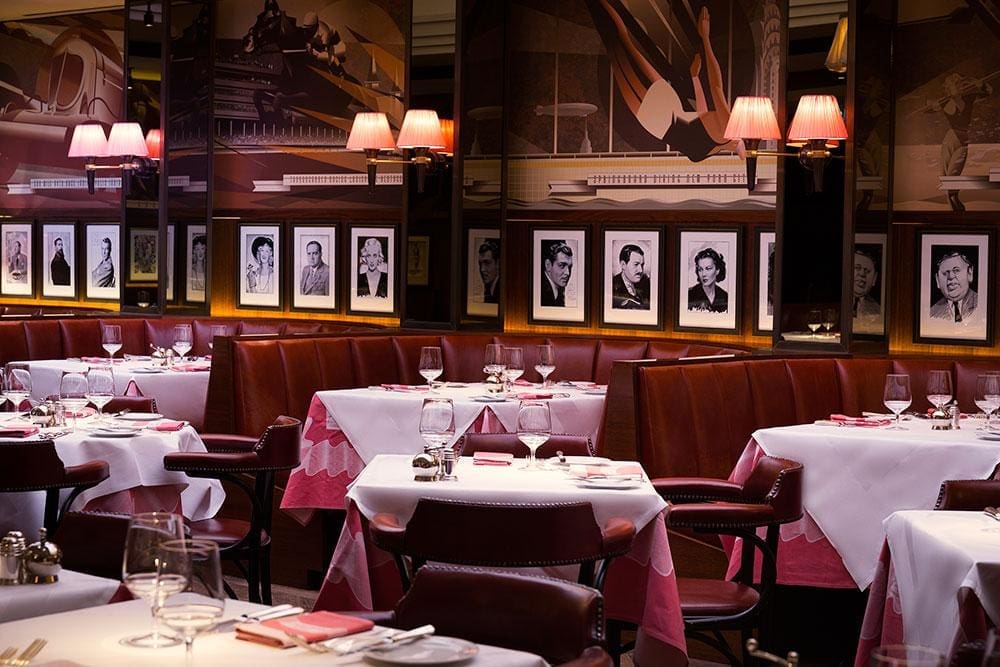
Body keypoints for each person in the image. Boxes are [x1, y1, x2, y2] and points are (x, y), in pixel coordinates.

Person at [587, 2, 739, 161]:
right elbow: (702, 116)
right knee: (623, 43)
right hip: (668, 107)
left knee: (620, 45)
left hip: (659, 116)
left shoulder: (725, 130)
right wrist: (695, 78)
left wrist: (705, 39)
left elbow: (716, 87)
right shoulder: (715, 143)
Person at [926, 72, 994, 211]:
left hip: (962, 138)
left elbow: (989, 91)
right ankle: (952, 199)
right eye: (955, 84)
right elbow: (927, 108)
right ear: (948, 87)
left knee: (954, 171)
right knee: (946, 171)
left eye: (960, 84)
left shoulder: (968, 97)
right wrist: (931, 103)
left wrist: (980, 83)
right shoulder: (945, 101)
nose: (959, 87)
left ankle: (953, 197)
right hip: (951, 137)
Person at [929, 250, 977, 322]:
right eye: (945, 273)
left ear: (969, 273)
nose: (951, 276)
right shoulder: (932, 313)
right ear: (937, 280)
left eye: (956, 270)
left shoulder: (982, 305)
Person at [687, 247, 727, 312]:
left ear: (717, 270)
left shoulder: (724, 296)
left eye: (708, 268)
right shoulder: (690, 295)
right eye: (700, 269)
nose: (703, 274)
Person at [611, 243, 650, 309]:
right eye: (636, 264)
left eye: (642, 265)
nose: (640, 270)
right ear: (623, 265)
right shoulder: (612, 286)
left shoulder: (646, 284)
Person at [541, 241, 574, 307]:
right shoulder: (542, 293)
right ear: (548, 265)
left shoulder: (557, 292)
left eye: (570, 267)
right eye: (562, 265)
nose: (567, 273)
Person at [852, 248, 881, 318]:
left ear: (874, 278)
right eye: (857, 268)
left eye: (867, 271)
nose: (862, 274)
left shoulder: (879, 311)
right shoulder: (837, 306)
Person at [478, 239, 500, 303]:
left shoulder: (500, 291)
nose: (482, 269)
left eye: (487, 263)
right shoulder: (488, 291)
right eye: (480, 264)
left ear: (497, 264)